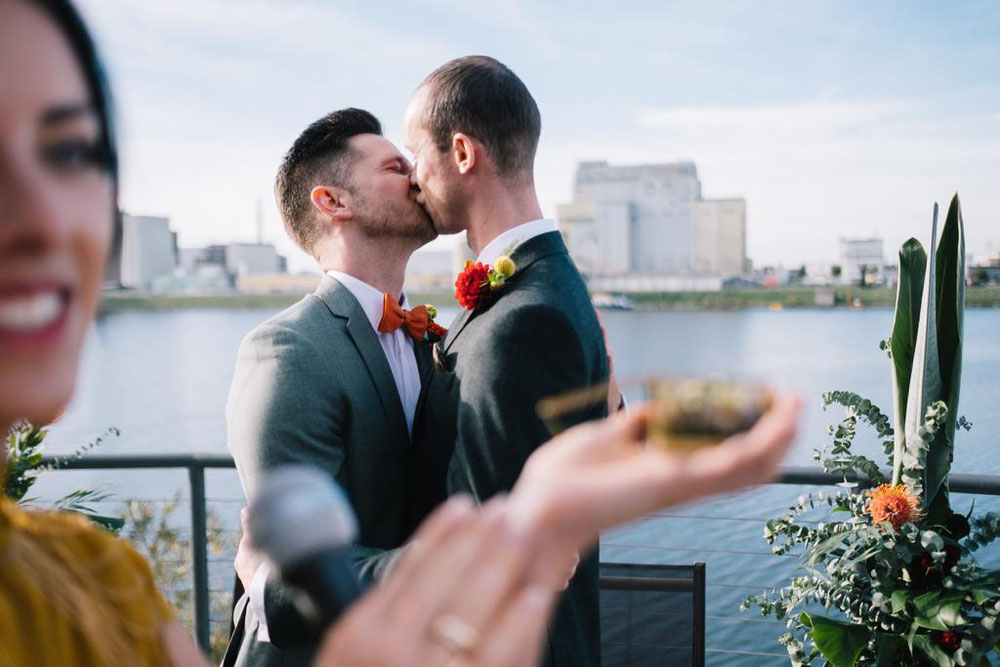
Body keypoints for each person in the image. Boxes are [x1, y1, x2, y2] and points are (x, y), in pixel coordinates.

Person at [404, 56, 612, 665]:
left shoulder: (523, 321)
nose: (414, 178)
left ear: (462, 153)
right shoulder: (548, 282)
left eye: (417, 155)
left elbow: (495, 562)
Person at [223, 108, 445, 665]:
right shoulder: (287, 350)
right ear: (333, 202)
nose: (419, 177)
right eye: (397, 168)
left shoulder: (435, 338)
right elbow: (304, 574)